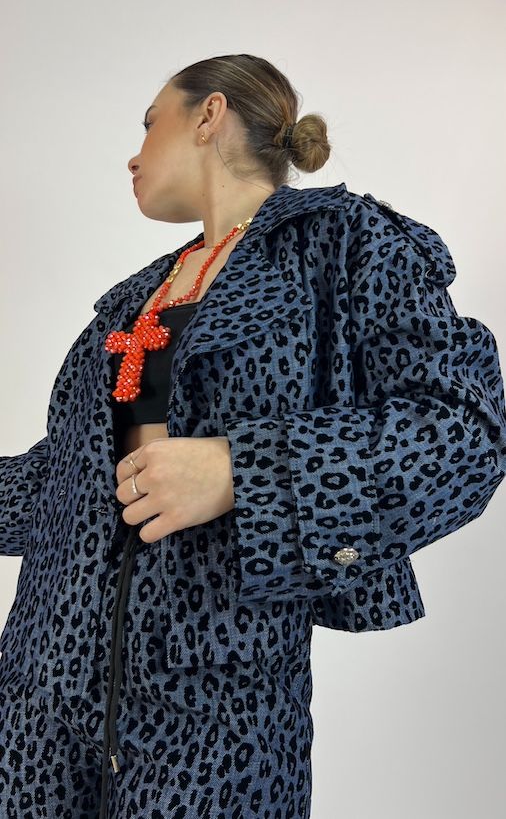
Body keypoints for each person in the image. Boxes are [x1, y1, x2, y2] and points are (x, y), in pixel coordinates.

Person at [1, 52, 505, 818]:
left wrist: (242, 470)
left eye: (150, 122)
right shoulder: (133, 300)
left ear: (209, 115)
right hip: (39, 702)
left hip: (213, 720)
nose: (133, 155)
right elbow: (66, 482)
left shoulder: (343, 243)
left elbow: (463, 430)